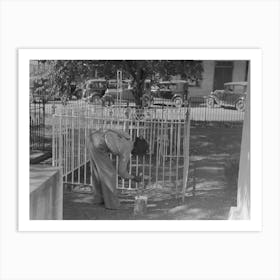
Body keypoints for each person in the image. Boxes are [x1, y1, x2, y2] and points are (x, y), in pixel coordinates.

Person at [87, 129, 148, 210]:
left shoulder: (128, 137)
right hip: (99, 145)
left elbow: (112, 130)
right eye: (139, 154)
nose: (137, 155)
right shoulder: (127, 151)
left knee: (97, 172)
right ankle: (112, 204)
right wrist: (133, 177)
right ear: (138, 150)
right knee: (110, 174)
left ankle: (98, 199)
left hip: (93, 137)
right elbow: (122, 173)